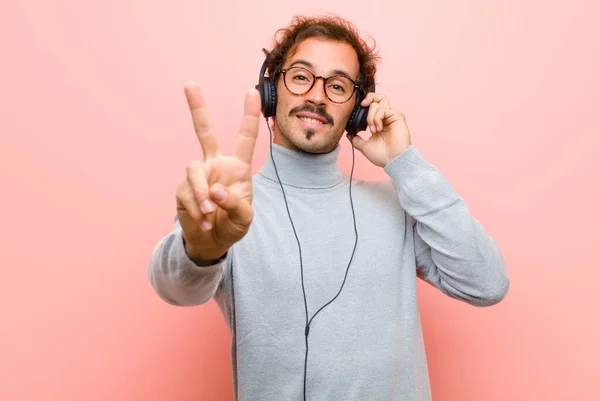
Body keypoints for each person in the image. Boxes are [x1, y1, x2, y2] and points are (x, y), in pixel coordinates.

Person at [148, 14, 510, 401]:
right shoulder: (232, 205)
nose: (317, 96)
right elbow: (176, 289)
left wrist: (405, 163)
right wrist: (201, 251)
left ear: (357, 110)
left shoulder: (396, 203)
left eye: (338, 86)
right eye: (301, 77)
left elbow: (486, 284)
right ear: (272, 90)